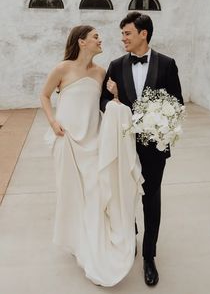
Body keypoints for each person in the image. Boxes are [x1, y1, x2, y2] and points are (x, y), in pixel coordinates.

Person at [40, 25, 143, 286]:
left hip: (93, 141)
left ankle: (94, 244)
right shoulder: (62, 68)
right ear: (81, 41)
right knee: (72, 195)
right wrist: (52, 122)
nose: (101, 40)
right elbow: (44, 95)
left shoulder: (101, 72)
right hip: (67, 141)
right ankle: (77, 241)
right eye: (96, 37)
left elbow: (106, 105)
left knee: (96, 194)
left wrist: (116, 94)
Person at [100, 12, 184, 286]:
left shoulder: (167, 64)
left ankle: (149, 255)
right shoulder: (114, 65)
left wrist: (159, 122)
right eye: (122, 33)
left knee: (151, 198)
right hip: (123, 146)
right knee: (125, 194)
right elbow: (104, 103)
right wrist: (115, 104)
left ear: (143, 34)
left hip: (153, 147)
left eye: (127, 33)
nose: (122, 38)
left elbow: (177, 104)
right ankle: (129, 238)